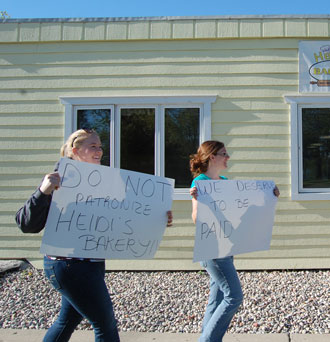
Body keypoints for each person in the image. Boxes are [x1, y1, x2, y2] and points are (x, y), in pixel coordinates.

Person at [15, 129, 173, 342]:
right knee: (105, 325)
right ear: (75, 150)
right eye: (93, 146)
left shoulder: (104, 183)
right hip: (68, 265)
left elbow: (122, 218)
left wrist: (158, 218)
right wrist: (43, 191)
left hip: (91, 263)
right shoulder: (59, 180)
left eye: (100, 146)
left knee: (67, 320)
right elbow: (27, 224)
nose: (99, 151)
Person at [189, 140, 279, 342]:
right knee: (234, 296)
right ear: (212, 157)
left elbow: (241, 211)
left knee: (218, 297)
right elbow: (196, 219)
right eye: (224, 153)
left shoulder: (225, 182)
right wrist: (197, 200)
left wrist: (270, 196)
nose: (228, 157)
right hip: (213, 249)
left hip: (227, 247)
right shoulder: (200, 182)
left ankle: (207, 337)